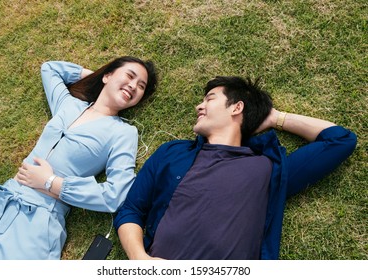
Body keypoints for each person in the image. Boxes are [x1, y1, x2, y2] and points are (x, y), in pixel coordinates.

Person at [114, 76, 357, 260]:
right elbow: (131, 209)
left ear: (236, 107)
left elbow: (340, 141)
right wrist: (140, 260)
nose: (199, 106)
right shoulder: (172, 153)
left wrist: (274, 118)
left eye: (209, 99)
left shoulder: (266, 169)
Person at [0, 56, 157, 260]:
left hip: (38, 219)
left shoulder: (123, 133)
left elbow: (116, 195)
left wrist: (51, 182)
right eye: (129, 76)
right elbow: (49, 69)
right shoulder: (68, 105)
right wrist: (99, 77)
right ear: (108, 75)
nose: (133, 86)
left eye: (141, 86)